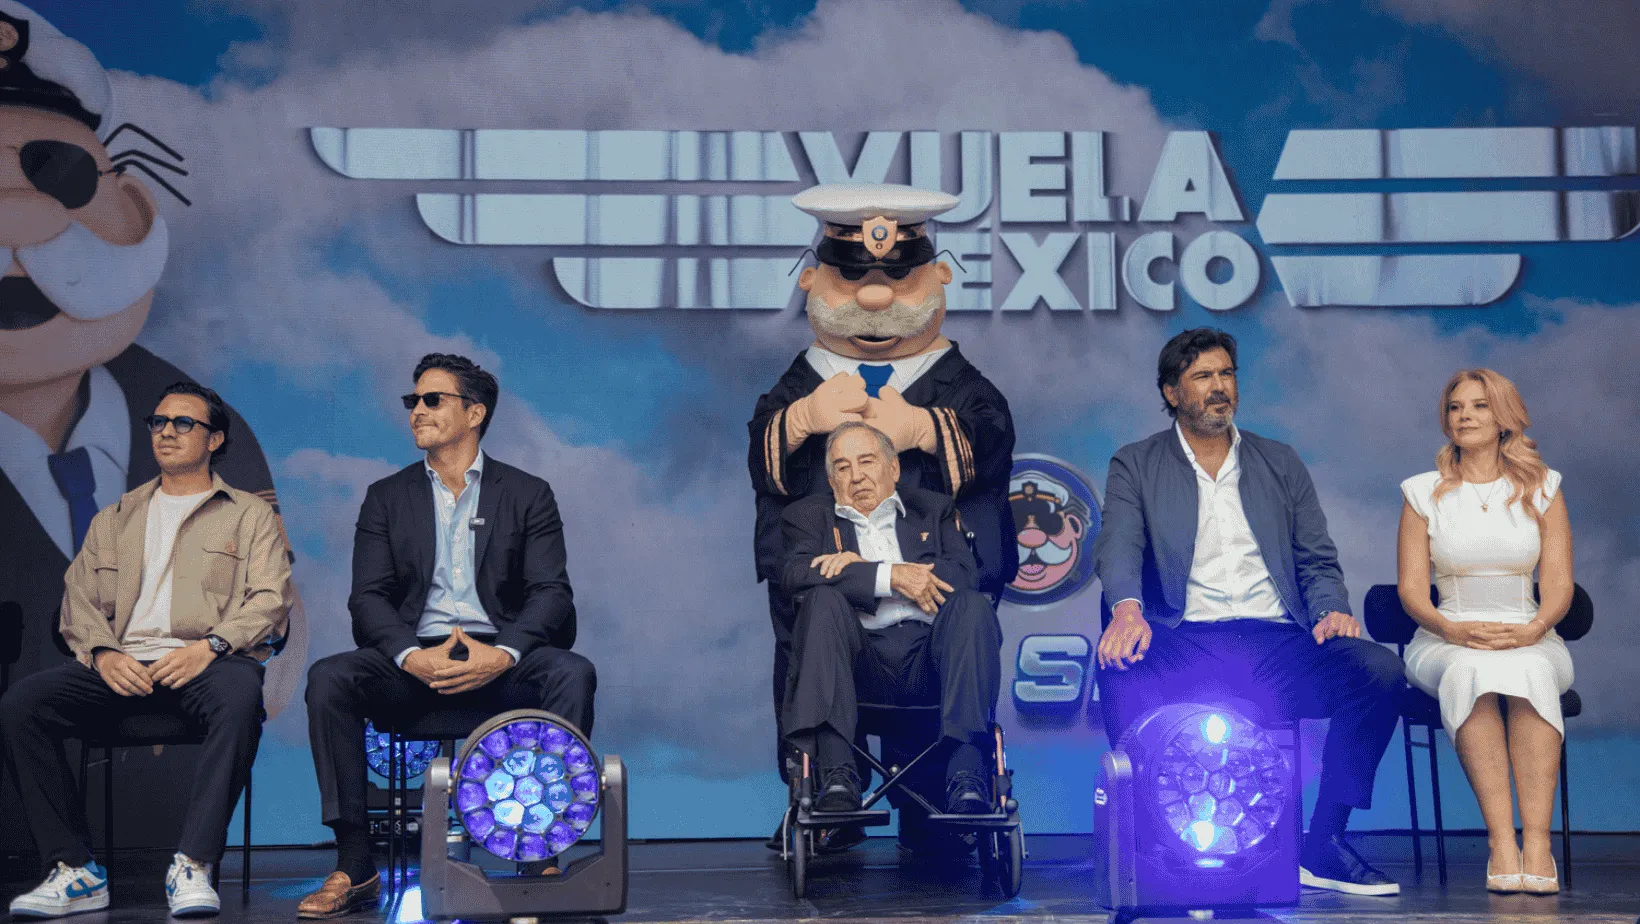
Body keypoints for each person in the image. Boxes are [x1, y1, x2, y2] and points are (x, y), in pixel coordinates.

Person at [1092, 328, 1405, 897]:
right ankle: (1148, 842)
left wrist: (1331, 609)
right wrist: (1128, 612)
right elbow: (1119, 546)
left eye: (1227, 374)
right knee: (1119, 664)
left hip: (1276, 644)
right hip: (1184, 639)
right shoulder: (1136, 463)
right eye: (1202, 377)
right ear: (1171, 393)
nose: (1219, 387)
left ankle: (1326, 842)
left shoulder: (1279, 461)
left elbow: (1316, 558)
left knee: (1377, 671)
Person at [748, 183, 1017, 828]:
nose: (875, 297)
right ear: (812, 280)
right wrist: (804, 418)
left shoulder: (956, 382)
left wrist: (925, 427)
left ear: (939, 276)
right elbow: (765, 466)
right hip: (835, 599)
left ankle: (947, 793)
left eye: (898, 276)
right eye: (852, 276)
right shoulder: (803, 381)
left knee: (963, 628)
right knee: (814, 636)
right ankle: (825, 791)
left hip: (932, 601)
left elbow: (992, 447)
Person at [298, 354, 596, 919]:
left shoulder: (528, 492)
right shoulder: (386, 496)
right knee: (330, 678)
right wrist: (411, 656)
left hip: (501, 660)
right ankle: (355, 862)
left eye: (433, 399)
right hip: (416, 663)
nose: (417, 410)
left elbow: (551, 594)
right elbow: (368, 598)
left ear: (475, 413)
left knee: (572, 673)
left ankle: (540, 849)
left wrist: (502, 653)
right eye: (413, 400)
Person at [1, 382, 291, 919]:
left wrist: (211, 646)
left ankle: (193, 863)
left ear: (214, 439)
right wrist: (104, 654)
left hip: (206, 664)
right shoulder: (116, 516)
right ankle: (74, 869)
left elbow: (271, 600)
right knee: (22, 705)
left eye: (183, 423)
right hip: (124, 665)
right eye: (158, 422)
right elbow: (78, 600)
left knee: (240, 691)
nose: (166, 432)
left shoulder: (249, 514)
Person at [1397, 369, 1572, 896]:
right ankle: (1501, 843)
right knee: (1471, 669)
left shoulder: (1544, 487)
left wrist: (1534, 629)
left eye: (1479, 406)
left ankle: (1537, 843)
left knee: (1531, 669)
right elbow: (1411, 590)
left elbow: (1559, 583)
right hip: (1445, 635)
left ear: (1504, 418)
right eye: (1455, 407)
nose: (1465, 416)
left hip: (1531, 631)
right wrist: (1450, 628)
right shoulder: (1421, 492)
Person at [780, 422, 1003, 821]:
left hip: (931, 666)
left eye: (866, 462)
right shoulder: (809, 518)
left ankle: (967, 774)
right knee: (821, 600)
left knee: (971, 606)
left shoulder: (933, 510)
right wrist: (887, 575)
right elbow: (797, 575)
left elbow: (963, 574)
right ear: (832, 481)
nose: (856, 476)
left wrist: (854, 569)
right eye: (842, 467)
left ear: (894, 468)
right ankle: (837, 774)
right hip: (855, 670)